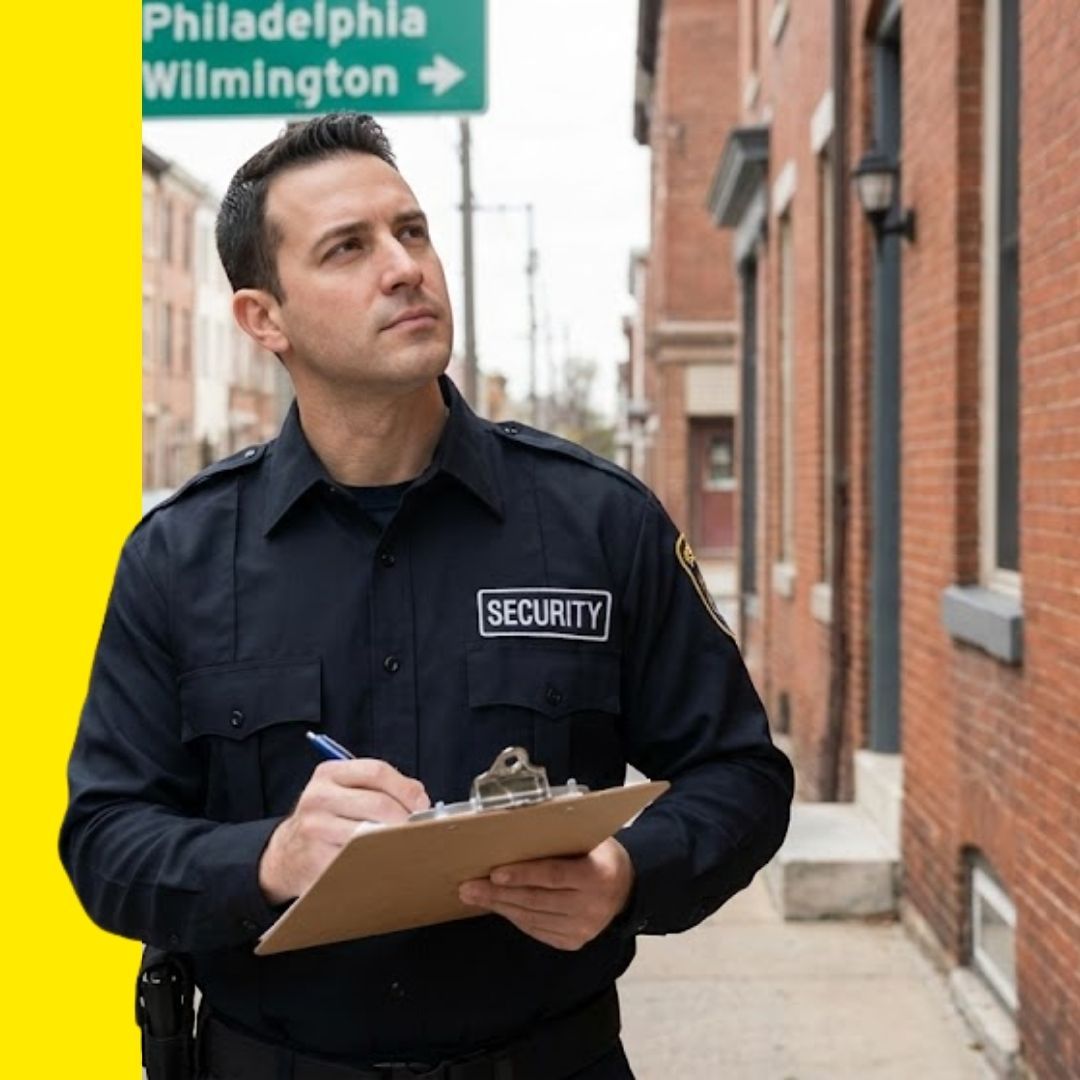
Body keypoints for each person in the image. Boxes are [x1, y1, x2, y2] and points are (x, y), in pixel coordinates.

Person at [61, 112, 793, 1079]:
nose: (403, 267)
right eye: (347, 249)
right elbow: (106, 839)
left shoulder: (598, 523)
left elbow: (741, 775)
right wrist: (272, 859)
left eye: (411, 232)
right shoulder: (179, 557)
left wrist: (627, 874)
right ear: (263, 318)